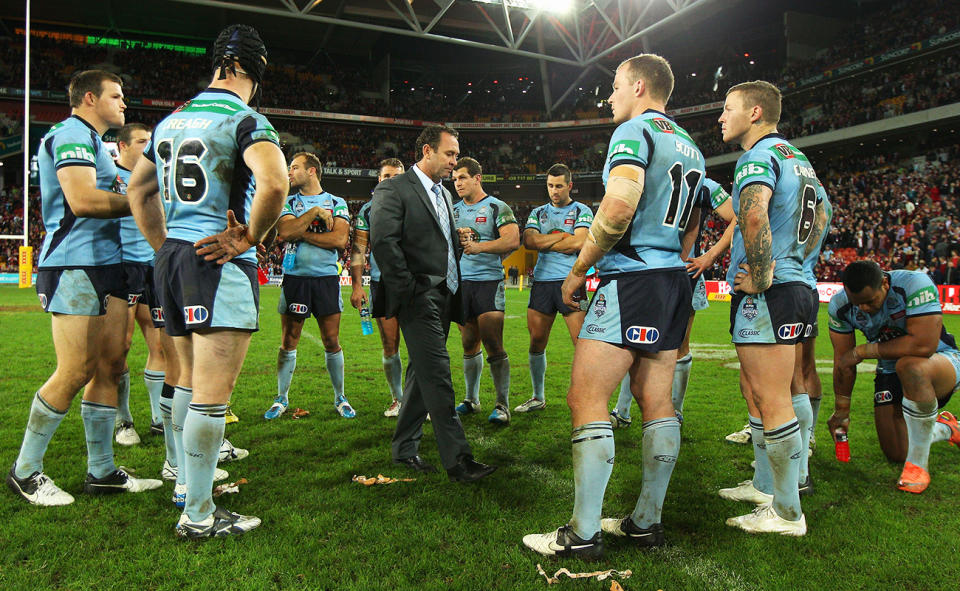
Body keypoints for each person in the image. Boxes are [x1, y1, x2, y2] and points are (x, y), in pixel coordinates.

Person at [522, 54, 703, 558]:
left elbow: (620, 205)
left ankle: (581, 535)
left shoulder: (634, 132)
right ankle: (647, 522)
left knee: (586, 399)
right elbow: (697, 216)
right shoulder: (690, 146)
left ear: (639, 86)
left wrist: (579, 269)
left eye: (615, 87)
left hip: (632, 279)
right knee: (657, 401)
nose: (610, 97)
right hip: (671, 281)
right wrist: (682, 258)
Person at [127, 24, 288, 538]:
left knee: (187, 379)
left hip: (174, 256)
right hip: (215, 260)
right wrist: (248, 239)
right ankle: (198, 514)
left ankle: (184, 482)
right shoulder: (246, 120)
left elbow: (138, 189)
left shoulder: (172, 119)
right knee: (212, 391)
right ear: (252, 70)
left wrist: (162, 245)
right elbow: (276, 182)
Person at [7, 70, 162, 506]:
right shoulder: (71, 134)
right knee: (75, 370)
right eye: (117, 95)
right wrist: (141, 200)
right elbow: (82, 201)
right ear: (90, 98)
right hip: (74, 264)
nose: (124, 103)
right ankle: (25, 471)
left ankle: (102, 471)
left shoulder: (98, 144)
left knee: (110, 366)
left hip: (107, 265)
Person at [717, 80, 818, 536]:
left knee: (772, 397)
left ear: (755, 113)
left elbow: (753, 214)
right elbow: (820, 222)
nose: (721, 117)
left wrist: (760, 274)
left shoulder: (756, 158)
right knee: (763, 391)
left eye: (728, 108)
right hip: (798, 285)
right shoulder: (800, 161)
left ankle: (787, 511)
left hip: (770, 292)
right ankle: (765, 485)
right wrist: (798, 264)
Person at [369, 125, 496, 483]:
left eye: (456, 155)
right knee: (438, 376)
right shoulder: (393, 188)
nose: (455, 162)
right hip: (418, 296)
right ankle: (459, 460)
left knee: (420, 373)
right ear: (427, 151)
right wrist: (409, 289)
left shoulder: (442, 194)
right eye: (450, 154)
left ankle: (404, 448)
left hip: (445, 296)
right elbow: (383, 241)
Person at [610, 177, 736, 427]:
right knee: (635, 342)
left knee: (679, 345)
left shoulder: (703, 185)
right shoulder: (651, 178)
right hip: (648, 272)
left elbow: (736, 216)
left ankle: (675, 410)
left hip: (683, 271)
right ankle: (622, 411)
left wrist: (709, 256)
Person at [827, 260, 960, 493]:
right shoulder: (840, 306)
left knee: (911, 367)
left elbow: (923, 345)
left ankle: (918, 468)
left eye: (870, 301)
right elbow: (843, 361)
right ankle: (948, 429)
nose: (865, 308)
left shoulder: (914, 284)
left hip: (939, 361)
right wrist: (841, 410)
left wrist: (864, 350)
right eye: (858, 304)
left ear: (885, 284)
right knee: (896, 451)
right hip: (889, 370)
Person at [264, 151, 352, 420]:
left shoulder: (337, 202)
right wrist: (314, 214)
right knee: (289, 340)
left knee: (331, 340)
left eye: (295, 167)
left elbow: (339, 240)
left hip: (325, 279)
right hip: (296, 279)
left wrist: (303, 233)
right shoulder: (288, 201)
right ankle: (281, 398)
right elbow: (286, 233)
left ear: (312, 170)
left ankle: (340, 397)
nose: (290, 172)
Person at [517, 163, 593, 414]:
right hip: (542, 283)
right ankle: (537, 396)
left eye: (559, 186)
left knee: (582, 343)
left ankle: (587, 398)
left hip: (572, 281)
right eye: (550, 185)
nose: (554, 190)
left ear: (569, 185)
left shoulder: (582, 209)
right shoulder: (538, 212)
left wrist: (546, 242)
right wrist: (562, 238)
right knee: (536, 341)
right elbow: (529, 241)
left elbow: (580, 242)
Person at [451, 157, 520, 424]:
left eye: (463, 178)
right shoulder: (453, 210)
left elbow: (513, 240)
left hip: (488, 282)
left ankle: (502, 405)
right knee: (468, 343)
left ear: (477, 178)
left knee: (492, 342)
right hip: (461, 283)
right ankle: (472, 399)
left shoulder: (496, 207)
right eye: (455, 179)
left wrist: (479, 247)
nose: (457, 183)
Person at [113, 122, 163, 445]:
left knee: (161, 343)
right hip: (123, 266)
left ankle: (159, 416)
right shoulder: (109, 177)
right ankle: (122, 420)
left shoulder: (156, 179)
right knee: (122, 345)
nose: (148, 146)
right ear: (122, 146)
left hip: (154, 265)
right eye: (142, 141)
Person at [351, 158, 406, 417]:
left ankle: (421, 400)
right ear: (379, 180)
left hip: (415, 283)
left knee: (422, 344)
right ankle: (398, 399)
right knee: (389, 343)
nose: (391, 180)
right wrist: (356, 286)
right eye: (386, 176)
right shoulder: (367, 210)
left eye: (396, 175)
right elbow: (359, 249)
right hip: (382, 283)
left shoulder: (417, 205)